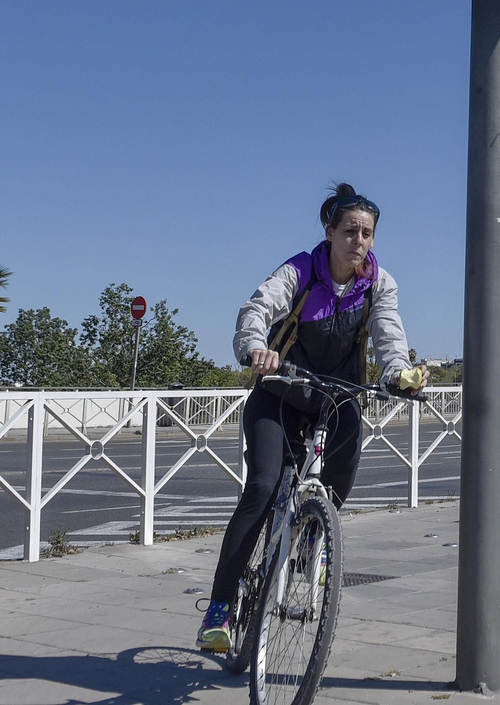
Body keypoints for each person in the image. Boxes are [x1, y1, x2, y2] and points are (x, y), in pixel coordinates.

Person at [197, 184, 424, 652]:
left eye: (367, 234)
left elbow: (389, 335)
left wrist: (399, 373)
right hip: (280, 394)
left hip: (337, 399)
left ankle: (307, 544)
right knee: (261, 489)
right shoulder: (300, 270)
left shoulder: (379, 283)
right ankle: (219, 608)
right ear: (330, 231)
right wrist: (254, 347)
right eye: (349, 231)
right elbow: (257, 307)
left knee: (337, 481)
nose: (357, 241)